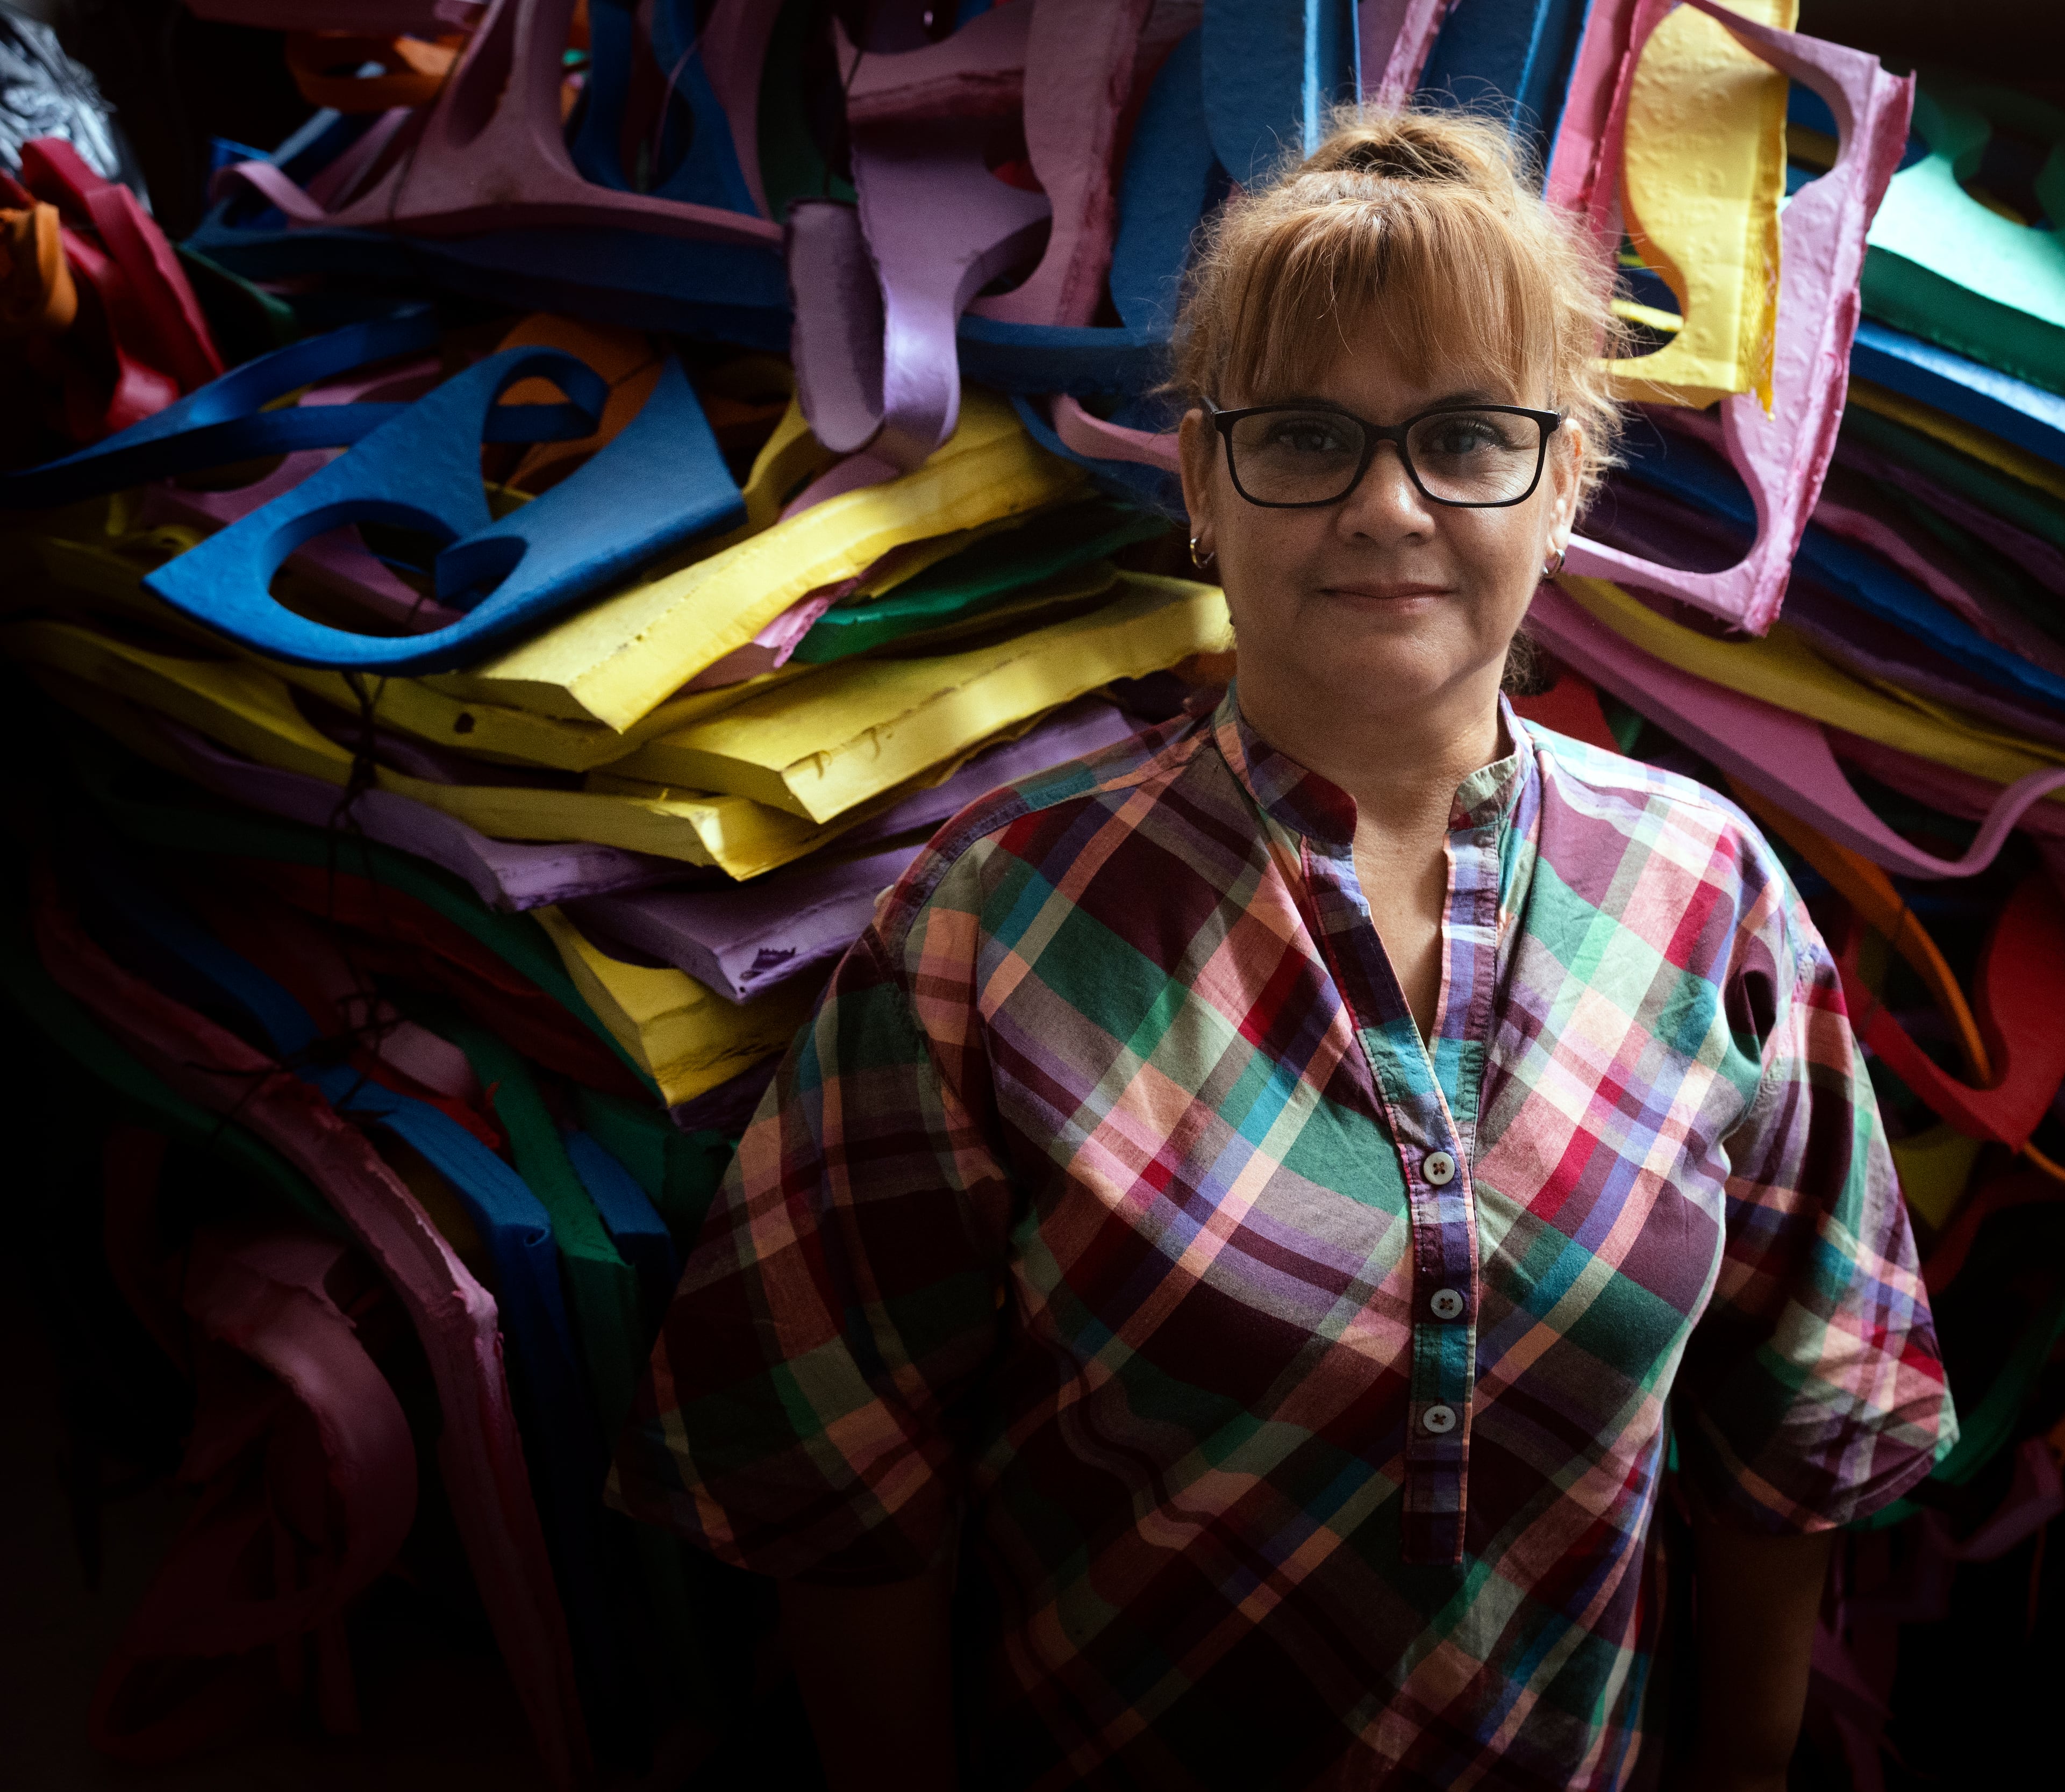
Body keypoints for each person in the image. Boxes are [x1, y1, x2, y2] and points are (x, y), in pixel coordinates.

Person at [613, 105, 1952, 1791]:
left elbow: (1795, 1445)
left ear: (1563, 488)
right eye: (1309, 438)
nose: (1389, 507)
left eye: (1467, 438)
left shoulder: (1712, 896)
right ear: (1200, 487)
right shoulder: (987, 931)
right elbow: (831, 1490)